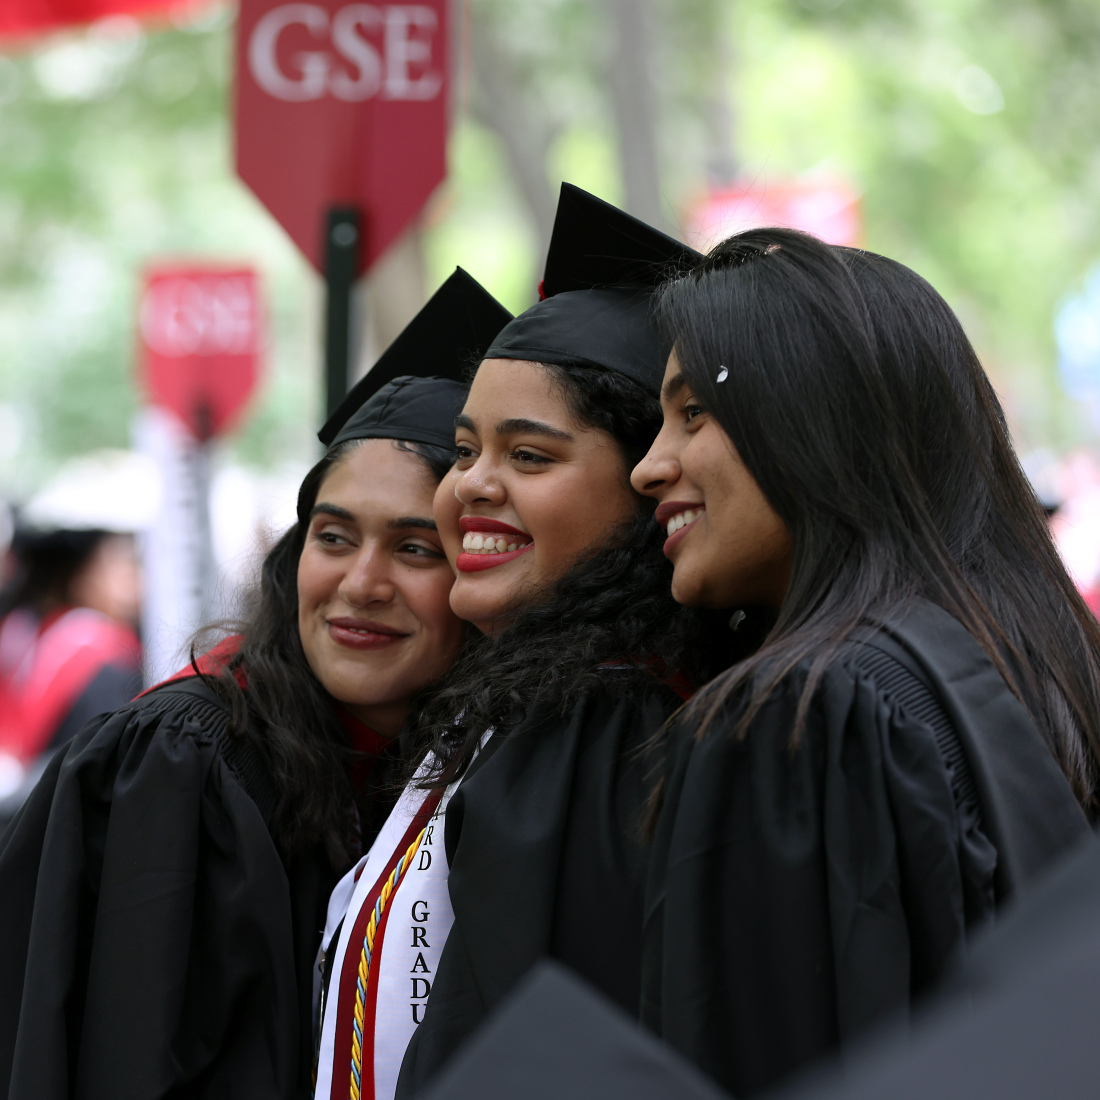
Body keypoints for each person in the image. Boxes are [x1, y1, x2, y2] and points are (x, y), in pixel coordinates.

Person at [0, 268, 512, 1100]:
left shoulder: (484, 778)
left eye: (417, 549)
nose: (361, 583)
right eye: (334, 536)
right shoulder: (184, 765)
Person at [630, 230, 1100, 1097]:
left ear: (813, 418)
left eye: (693, 412)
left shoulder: (796, 721)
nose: (647, 467)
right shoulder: (1046, 660)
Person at [311, 185, 722, 1100]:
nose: (470, 488)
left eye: (528, 456)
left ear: (647, 485)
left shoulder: (603, 725)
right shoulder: (514, 704)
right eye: (465, 451)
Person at [0, 526, 142, 822]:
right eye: (124, 564)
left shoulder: (39, 628)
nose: (139, 579)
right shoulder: (104, 646)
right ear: (83, 577)